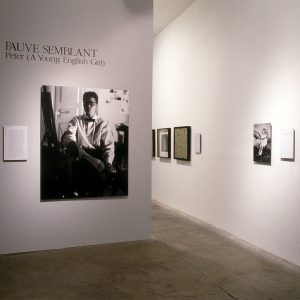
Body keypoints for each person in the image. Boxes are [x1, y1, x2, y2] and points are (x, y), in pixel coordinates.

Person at [61, 91, 115, 196]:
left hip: (97, 155)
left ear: (97, 105)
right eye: (85, 103)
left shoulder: (103, 124)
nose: (88, 105)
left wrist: (108, 162)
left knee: (95, 183)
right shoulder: (76, 120)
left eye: (91, 103)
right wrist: (72, 143)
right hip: (79, 156)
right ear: (83, 104)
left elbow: (109, 146)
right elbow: (68, 136)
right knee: (75, 150)